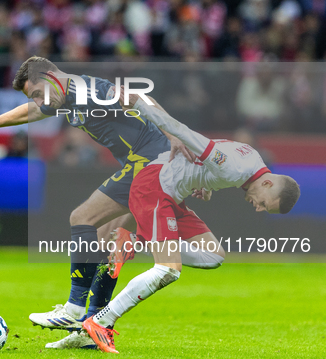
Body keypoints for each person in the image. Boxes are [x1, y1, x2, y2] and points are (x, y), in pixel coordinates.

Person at [0, 56, 202, 349]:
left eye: (36, 91)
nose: (38, 100)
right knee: (109, 243)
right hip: (147, 164)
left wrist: (175, 136)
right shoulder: (63, 95)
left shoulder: (88, 90)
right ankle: (92, 331)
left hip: (151, 162)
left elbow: (142, 99)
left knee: (82, 218)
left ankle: (73, 309)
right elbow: (34, 111)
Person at [82, 89, 301, 353]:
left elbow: (213, 158)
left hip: (173, 193)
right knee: (168, 269)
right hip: (155, 186)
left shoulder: (252, 162)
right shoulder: (236, 167)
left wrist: (204, 182)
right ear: (267, 183)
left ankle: (136, 241)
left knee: (213, 256)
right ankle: (101, 322)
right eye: (265, 204)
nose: (259, 208)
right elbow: (183, 131)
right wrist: (140, 103)